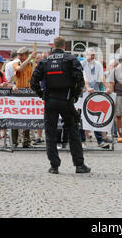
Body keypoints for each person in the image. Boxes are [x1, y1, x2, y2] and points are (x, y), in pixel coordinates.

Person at [30, 36, 90, 175]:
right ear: (64, 46)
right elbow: (79, 80)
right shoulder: (71, 59)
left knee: (50, 132)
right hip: (66, 99)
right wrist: (74, 96)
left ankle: (54, 166)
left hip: (50, 100)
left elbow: (33, 82)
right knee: (73, 131)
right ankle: (79, 165)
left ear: (53, 46)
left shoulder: (44, 61)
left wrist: (42, 95)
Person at [81, 48, 111, 149]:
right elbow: (83, 77)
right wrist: (86, 87)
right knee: (82, 117)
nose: (93, 57)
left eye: (94, 55)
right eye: (91, 55)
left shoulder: (98, 64)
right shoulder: (82, 64)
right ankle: (82, 140)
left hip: (95, 93)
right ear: (86, 55)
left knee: (94, 118)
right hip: (84, 92)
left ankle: (100, 141)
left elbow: (101, 77)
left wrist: (107, 87)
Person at [11, 47, 36, 148]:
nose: (19, 57)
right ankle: (14, 142)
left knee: (28, 118)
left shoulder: (32, 64)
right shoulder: (16, 63)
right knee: (15, 118)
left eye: (21, 55)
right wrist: (30, 58)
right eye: (19, 55)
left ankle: (26, 141)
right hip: (18, 95)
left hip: (28, 94)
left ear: (26, 55)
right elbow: (19, 69)